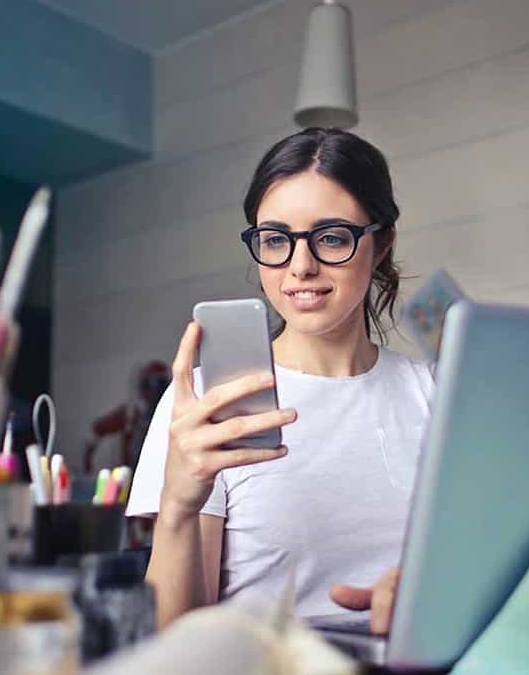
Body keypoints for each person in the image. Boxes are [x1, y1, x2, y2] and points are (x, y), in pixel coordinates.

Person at [126, 128, 435, 633]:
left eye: (332, 237)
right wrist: (179, 504)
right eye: (275, 240)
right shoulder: (209, 403)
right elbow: (174, 646)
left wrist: (430, 596)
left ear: (381, 244)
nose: (300, 266)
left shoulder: (436, 395)